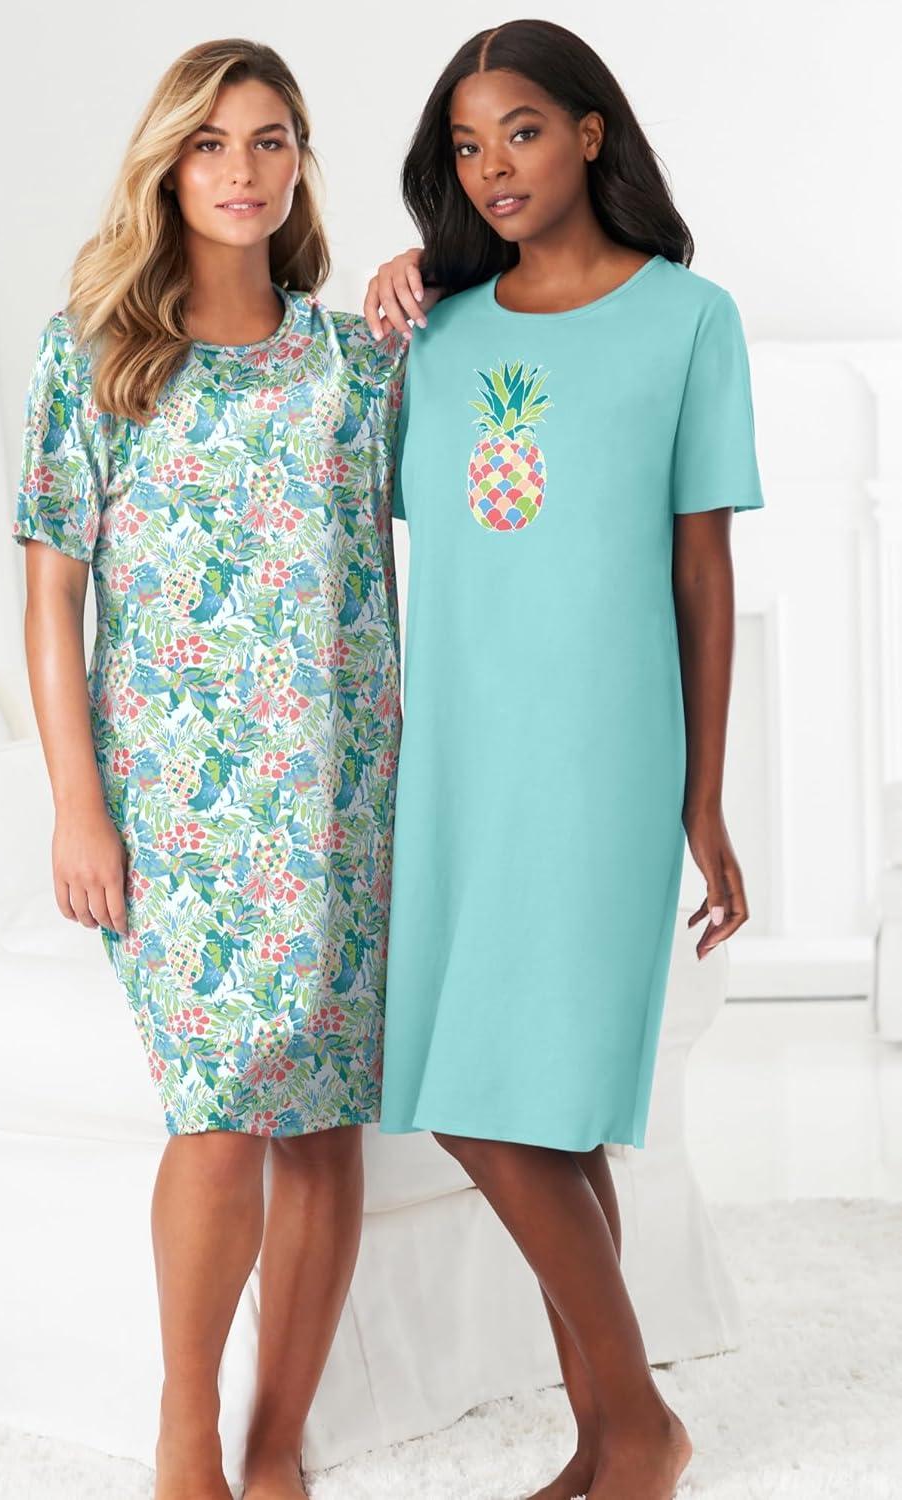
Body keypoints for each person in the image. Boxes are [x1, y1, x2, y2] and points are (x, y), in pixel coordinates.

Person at [363, 19, 764, 1500]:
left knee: (499, 1100)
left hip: (601, 761)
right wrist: (395, 289)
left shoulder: (688, 319)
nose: (494, 167)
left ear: (590, 133)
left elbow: (702, 570)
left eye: (521, 131)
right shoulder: (434, 334)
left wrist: (702, 798)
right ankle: (608, 1433)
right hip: (455, 765)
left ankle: (637, 1423)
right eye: (467, 147)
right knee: (522, 1107)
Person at [11, 39, 405, 1500]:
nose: (243, 170)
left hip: (345, 791)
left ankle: (277, 1437)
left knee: (324, 1122)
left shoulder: (355, 362)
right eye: (212, 142)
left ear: (301, 164)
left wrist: (424, 274)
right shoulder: (93, 355)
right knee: (224, 1108)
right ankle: (188, 1430)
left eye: (272, 140)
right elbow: (53, 596)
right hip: (178, 801)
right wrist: (77, 803)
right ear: (167, 165)